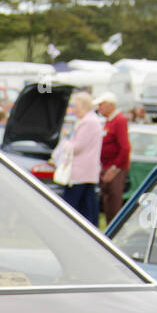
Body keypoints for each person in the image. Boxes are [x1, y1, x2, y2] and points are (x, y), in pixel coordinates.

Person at [52, 91, 103, 226]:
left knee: (72, 206)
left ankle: (69, 227)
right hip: (87, 172)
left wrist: (65, 143)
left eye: (76, 106)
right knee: (88, 207)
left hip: (80, 172)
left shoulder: (87, 122)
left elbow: (77, 146)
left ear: (84, 106)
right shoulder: (92, 121)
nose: (74, 110)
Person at [95, 91, 130, 223]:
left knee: (114, 202)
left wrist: (114, 169)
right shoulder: (109, 121)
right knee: (107, 201)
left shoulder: (119, 120)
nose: (99, 108)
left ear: (110, 105)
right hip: (106, 165)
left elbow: (125, 147)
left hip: (115, 168)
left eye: (101, 105)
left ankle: (114, 228)